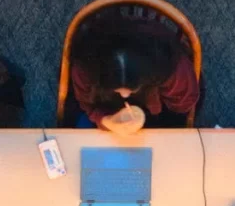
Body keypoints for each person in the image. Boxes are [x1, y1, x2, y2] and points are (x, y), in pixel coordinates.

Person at [70, 12, 199, 133]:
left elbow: (183, 106)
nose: (125, 96)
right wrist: (106, 120)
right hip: (104, 106)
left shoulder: (170, 65)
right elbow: (87, 104)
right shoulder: (85, 66)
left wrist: (150, 118)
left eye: (131, 89)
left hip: (159, 114)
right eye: (118, 89)